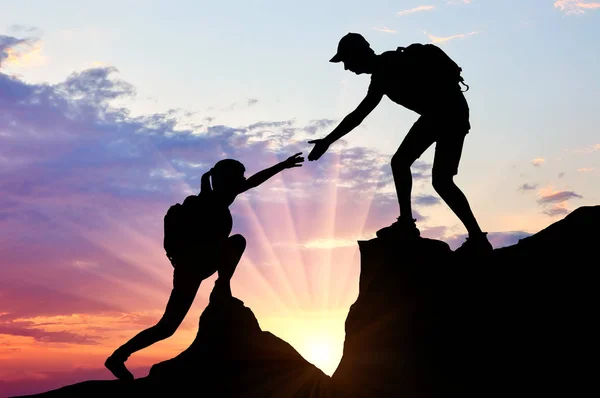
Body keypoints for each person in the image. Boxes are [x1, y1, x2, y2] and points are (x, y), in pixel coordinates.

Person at [104, 152, 305, 380]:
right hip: (193, 267)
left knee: (167, 327)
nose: (241, 182)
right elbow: (249, 184)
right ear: (224, 179)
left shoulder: (214, 197)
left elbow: (249, 183)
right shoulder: (213, 200)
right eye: (237, 177)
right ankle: (119, 357)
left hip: (195, 265)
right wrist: (282, 166)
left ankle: (118, 357)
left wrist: (282, 166)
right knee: (168, 325)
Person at [307, 32, 492, 254]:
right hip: (452, 113)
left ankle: (409, 224)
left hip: (444, 113)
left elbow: (359, 115)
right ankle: (475, 237)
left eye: (346, 60)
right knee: (439, 179)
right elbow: (359, 114)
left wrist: (327, 141)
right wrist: (328, 141)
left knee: (404, 164)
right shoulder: (382, 73)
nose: (346, 68)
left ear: (358, 54)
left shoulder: (387, 66)